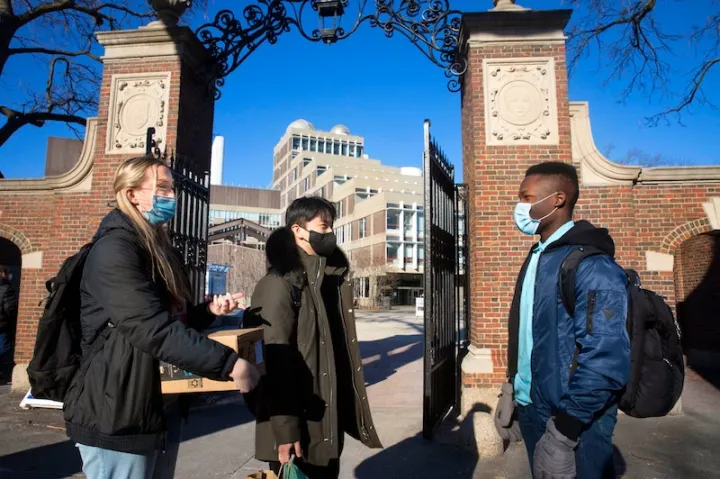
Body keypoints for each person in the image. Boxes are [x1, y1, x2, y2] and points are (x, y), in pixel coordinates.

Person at [63, 155, 260, 479]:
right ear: (131, 194)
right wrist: (229, 364)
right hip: (118, 410)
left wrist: (208, 311)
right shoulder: (115, 249)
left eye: (173, 188)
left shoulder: (156, 247)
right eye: (163, 188)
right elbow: (149, 327)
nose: (172, 196)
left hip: (156, 405)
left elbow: (168, 318)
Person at [507, 162, 630, 479]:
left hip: (573, 421)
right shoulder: (538, 255)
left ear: (557, 200)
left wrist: (565, 431)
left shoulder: (591, 264)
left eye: (526, 196)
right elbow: (528, 336)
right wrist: (513, 390)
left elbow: (606, 355)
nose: (520, 206)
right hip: (534, 407)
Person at [245, 196, 382, 479]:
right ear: (297, 230)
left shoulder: (327, 281)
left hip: (325, 422)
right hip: (298, 429)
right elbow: (275, 363)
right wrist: (285, 431)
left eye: (332, 226)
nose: (330, 233)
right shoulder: (278, 285)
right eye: (324, 226)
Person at [0, 266, 18, 383]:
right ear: (4, 274)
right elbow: (10, 309)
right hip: (2, 326)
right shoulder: (7, 289)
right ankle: (3, 376)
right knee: (4, 351)